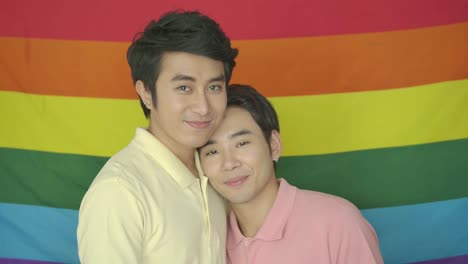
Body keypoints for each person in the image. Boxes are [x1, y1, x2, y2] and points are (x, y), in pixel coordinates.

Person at [77, 10, 238, 263]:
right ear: (146, 93)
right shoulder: (120, 192)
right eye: (184, 88)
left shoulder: (218, 172)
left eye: (214, 87)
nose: (203, 107)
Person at [199, 84, 384, 264]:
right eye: (212, 152)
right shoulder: (210, 240)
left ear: (273, 145)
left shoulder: (338, 222)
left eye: (242, 143)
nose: (229, 163)